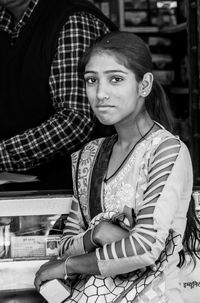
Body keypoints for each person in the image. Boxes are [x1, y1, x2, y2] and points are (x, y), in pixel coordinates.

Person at [34, 31, 200, 302]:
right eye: (91, 80)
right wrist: (102, 234)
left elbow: (145, 249)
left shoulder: (166, 150)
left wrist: (73, 263)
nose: (100, 93)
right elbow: (66, 245)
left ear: (144, 85)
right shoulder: (89, 156)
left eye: (116, 79)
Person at [0, 0, 117, 189]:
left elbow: (75, 119)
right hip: (18, 191)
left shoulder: (72, 20)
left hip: (74, 192)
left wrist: (3, 155)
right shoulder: (6, 22)